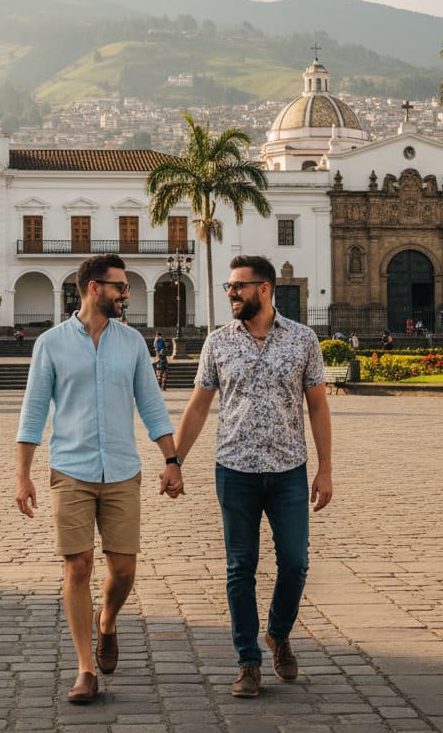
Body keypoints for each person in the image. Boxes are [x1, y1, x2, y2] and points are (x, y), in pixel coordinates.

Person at [15, 254, 182, 705]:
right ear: (93, 287)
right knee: (78, 566)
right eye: (119, 287)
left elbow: (151, 404)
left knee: (124, 569)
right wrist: (23, 476)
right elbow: (33, 413)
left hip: (123, 470)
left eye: (125, 287)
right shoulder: (50, 344)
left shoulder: (131, 343)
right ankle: (85, 668)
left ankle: (107, 621)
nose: (125, 293)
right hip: (70, 468)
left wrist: (172, 460)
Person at [173, 255, 332, 700]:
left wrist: (326, 468)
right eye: (228, 287)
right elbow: (199, 406)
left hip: (288, 471)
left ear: (264, 289)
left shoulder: (303, 340)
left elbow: (318, 406)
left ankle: (278, 634)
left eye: (238, 287)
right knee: (239, 568)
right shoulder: (218, 343)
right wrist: (175, 460)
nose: (231, 293)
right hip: (235, 470)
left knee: (295, 562)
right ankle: (248, 661)